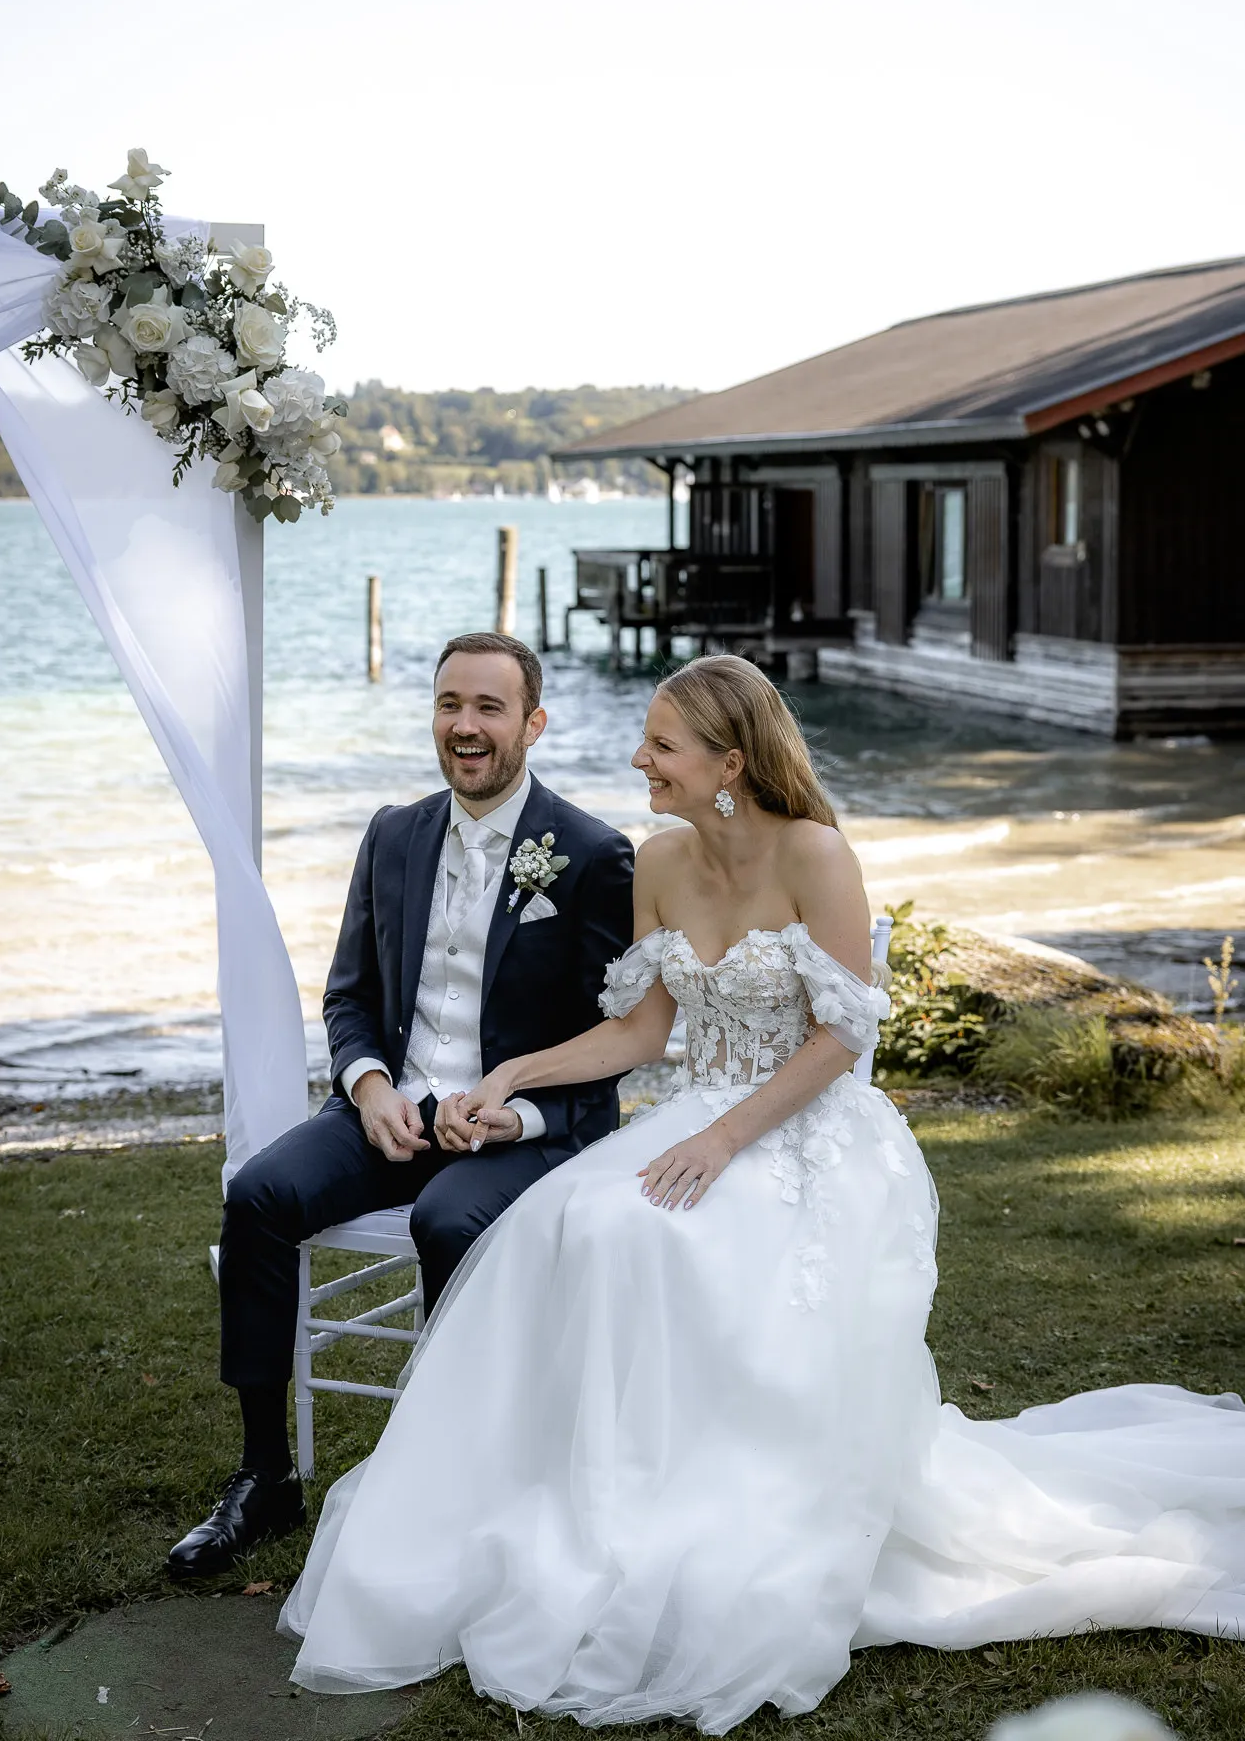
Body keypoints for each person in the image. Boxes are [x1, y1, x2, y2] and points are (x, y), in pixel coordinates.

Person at [282, 655, 1245, 1733]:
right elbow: (643, 1033)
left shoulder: (815, 854)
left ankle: (710, 1506)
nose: (639, 760)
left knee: (672, 1241)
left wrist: (732, 1137)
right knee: (580, 1223)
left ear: (728, 761)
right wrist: (512, 1075)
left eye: (661, 745)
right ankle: (600, 1498)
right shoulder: (659, 861)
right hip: (699, 1114)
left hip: (808, 1133)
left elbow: (845, 1035)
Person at [168, 633, 634, 1579]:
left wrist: (514, 1115)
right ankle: (265, 1476)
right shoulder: (392, 832)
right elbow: (347, 995)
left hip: (518, 1129)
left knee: (445, 1218)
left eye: (488, 708)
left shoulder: (593, 855)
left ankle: (469, 1478)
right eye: (448, 704)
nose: (464, 727)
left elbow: (612, 1045)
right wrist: (369, 1084)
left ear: (532, 724)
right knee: (257, 1196)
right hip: (392, 1112)